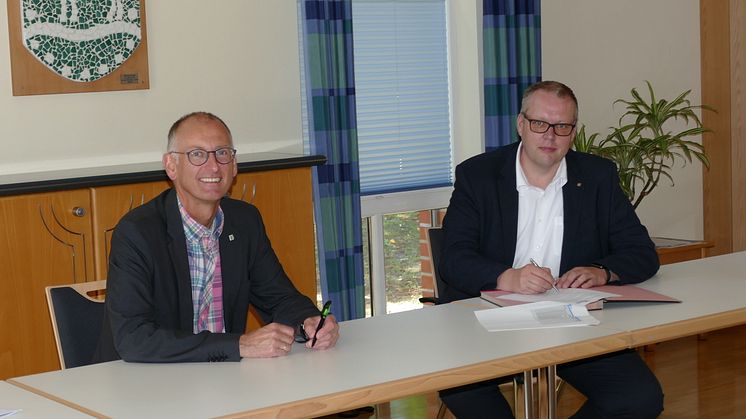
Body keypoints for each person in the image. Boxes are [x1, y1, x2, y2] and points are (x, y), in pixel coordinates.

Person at [437, 81, 664, 418]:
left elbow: (642, 252)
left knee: (639, 397)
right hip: (482, 320)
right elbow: (453, 258)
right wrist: (507, 278)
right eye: (539, 124)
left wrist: (601, 270)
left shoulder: (598, 176)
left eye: (562, 127)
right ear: (521, 125)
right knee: (466, 393)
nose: (550, 136)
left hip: (568, 321)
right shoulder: (478, 175)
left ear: (574, 131)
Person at [93, 111, 338, 363]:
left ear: (234, 166)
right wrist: (238, 345)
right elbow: (134, 339)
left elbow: (278, 296)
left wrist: (309, 320)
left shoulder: (244, 221)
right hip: (145, 382)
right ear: (171, 166)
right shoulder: (138, 232)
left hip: (224, 380)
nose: (213, 166)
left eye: (222, 153)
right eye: (197, 154)